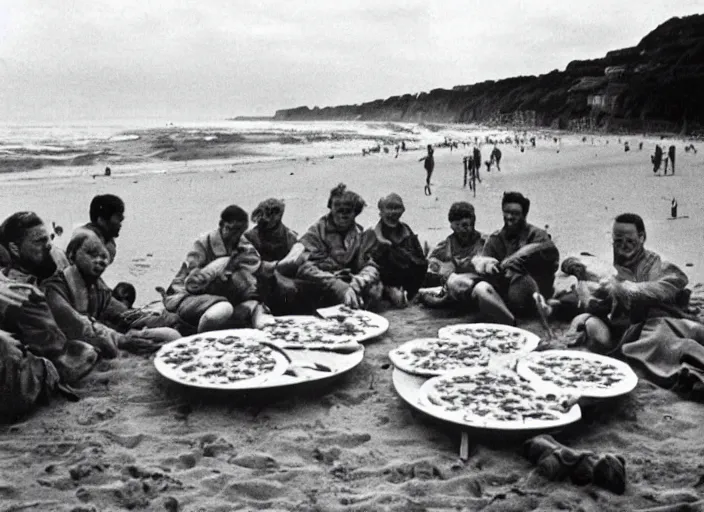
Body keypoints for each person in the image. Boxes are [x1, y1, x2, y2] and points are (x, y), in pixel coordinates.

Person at [569, 213, 704, 389]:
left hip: (660, 321)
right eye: (618, 241)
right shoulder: (609, 265)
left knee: (675, 341)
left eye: (630, 241)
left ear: (642, 237)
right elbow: (573, 261)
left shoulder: (657, 264)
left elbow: (670, 284)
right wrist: (578, 271)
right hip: (625, 329)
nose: (623, 246)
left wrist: (624, 287)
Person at [42, 231, 181, 359]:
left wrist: (155, 320)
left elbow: (122, 314)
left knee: (171, 337)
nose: (100, 261)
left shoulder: (98, 289)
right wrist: (121, 339)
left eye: (103, 256)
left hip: (97, 342)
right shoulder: (54, 289)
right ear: (72, 255)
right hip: (67, 353)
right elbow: (78, 325)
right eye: (91, 254)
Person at [0, 212, 98, 383]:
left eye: (49, 239)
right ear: (15, 249)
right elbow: (64, 360)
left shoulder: (47, 265)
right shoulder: (23, 295)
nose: (48, 246)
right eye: (39, 241)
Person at [163, 205, 270, 332]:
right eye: (232, 230)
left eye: (240, 231)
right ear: (221, 224)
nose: (236, 236)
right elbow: (192, 282)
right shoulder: (202, 244)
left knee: (252, 300)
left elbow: (255, 265)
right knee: (222, 309)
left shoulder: (242, 244)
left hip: (219, 292)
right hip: (188, 296)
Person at [471, 192, 559, 327]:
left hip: (531, 289)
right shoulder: (495, 238)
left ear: (524, 214)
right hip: (504, 293)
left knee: (521, 278)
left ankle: (538, 307)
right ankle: (508, 318)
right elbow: (484, 263)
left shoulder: (537, 235)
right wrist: (488, 266)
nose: (509, 217)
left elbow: (551, 261)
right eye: (506, 212)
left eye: (515, 213)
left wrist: (514, 262)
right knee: (480, 288)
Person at [296, 183, 381, 309]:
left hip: (351, 282)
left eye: (348, 211)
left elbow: (371, 265)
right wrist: (339, 286)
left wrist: (357, 283)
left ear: (355, 212)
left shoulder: (360, 234)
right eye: (339, 210)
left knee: (375, 290)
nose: (343, 215)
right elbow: (304, 267)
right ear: (331, 208)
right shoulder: (317, 231)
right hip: (324, 281)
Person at [362, 193, 427, 307]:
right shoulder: (372, 233)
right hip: (382, 279)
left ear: (402, 210)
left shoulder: (406, 230)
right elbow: (364, 262)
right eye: (389, 208)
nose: (393, 213)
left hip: (408, 279)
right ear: (381, 212)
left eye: (397, 208)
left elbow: (420, 260)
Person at [419, 202, 486, 307]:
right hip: (452, 285)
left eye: (465, 225)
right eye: (457, 225)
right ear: (452, 226)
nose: (462, 229)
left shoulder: (485, 242)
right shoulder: (444, 247)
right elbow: (431, 271)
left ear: (473, 222)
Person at [74, 194, 125, 264]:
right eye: (117, 217)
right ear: (101, 220)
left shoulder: (105, 241)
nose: (121, 221)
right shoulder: (91, 242)